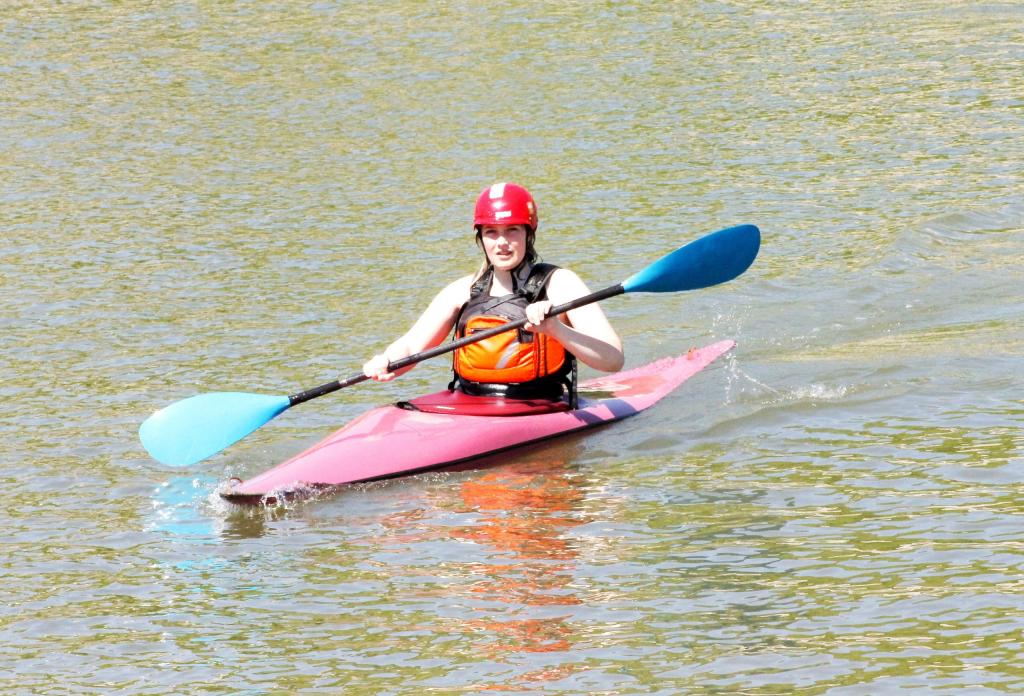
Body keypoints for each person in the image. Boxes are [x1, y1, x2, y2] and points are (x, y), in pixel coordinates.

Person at [363, 182, 624, 405]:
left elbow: (613, 360)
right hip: (471, 405)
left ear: (528, 233)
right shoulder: (461, 291)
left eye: (512, 230)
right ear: (480, 237)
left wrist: (555, 329)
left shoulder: (560, 284)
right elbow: (412, 345)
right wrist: (387, 360)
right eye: (491, 232)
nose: (502, 243)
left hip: (543, 406)